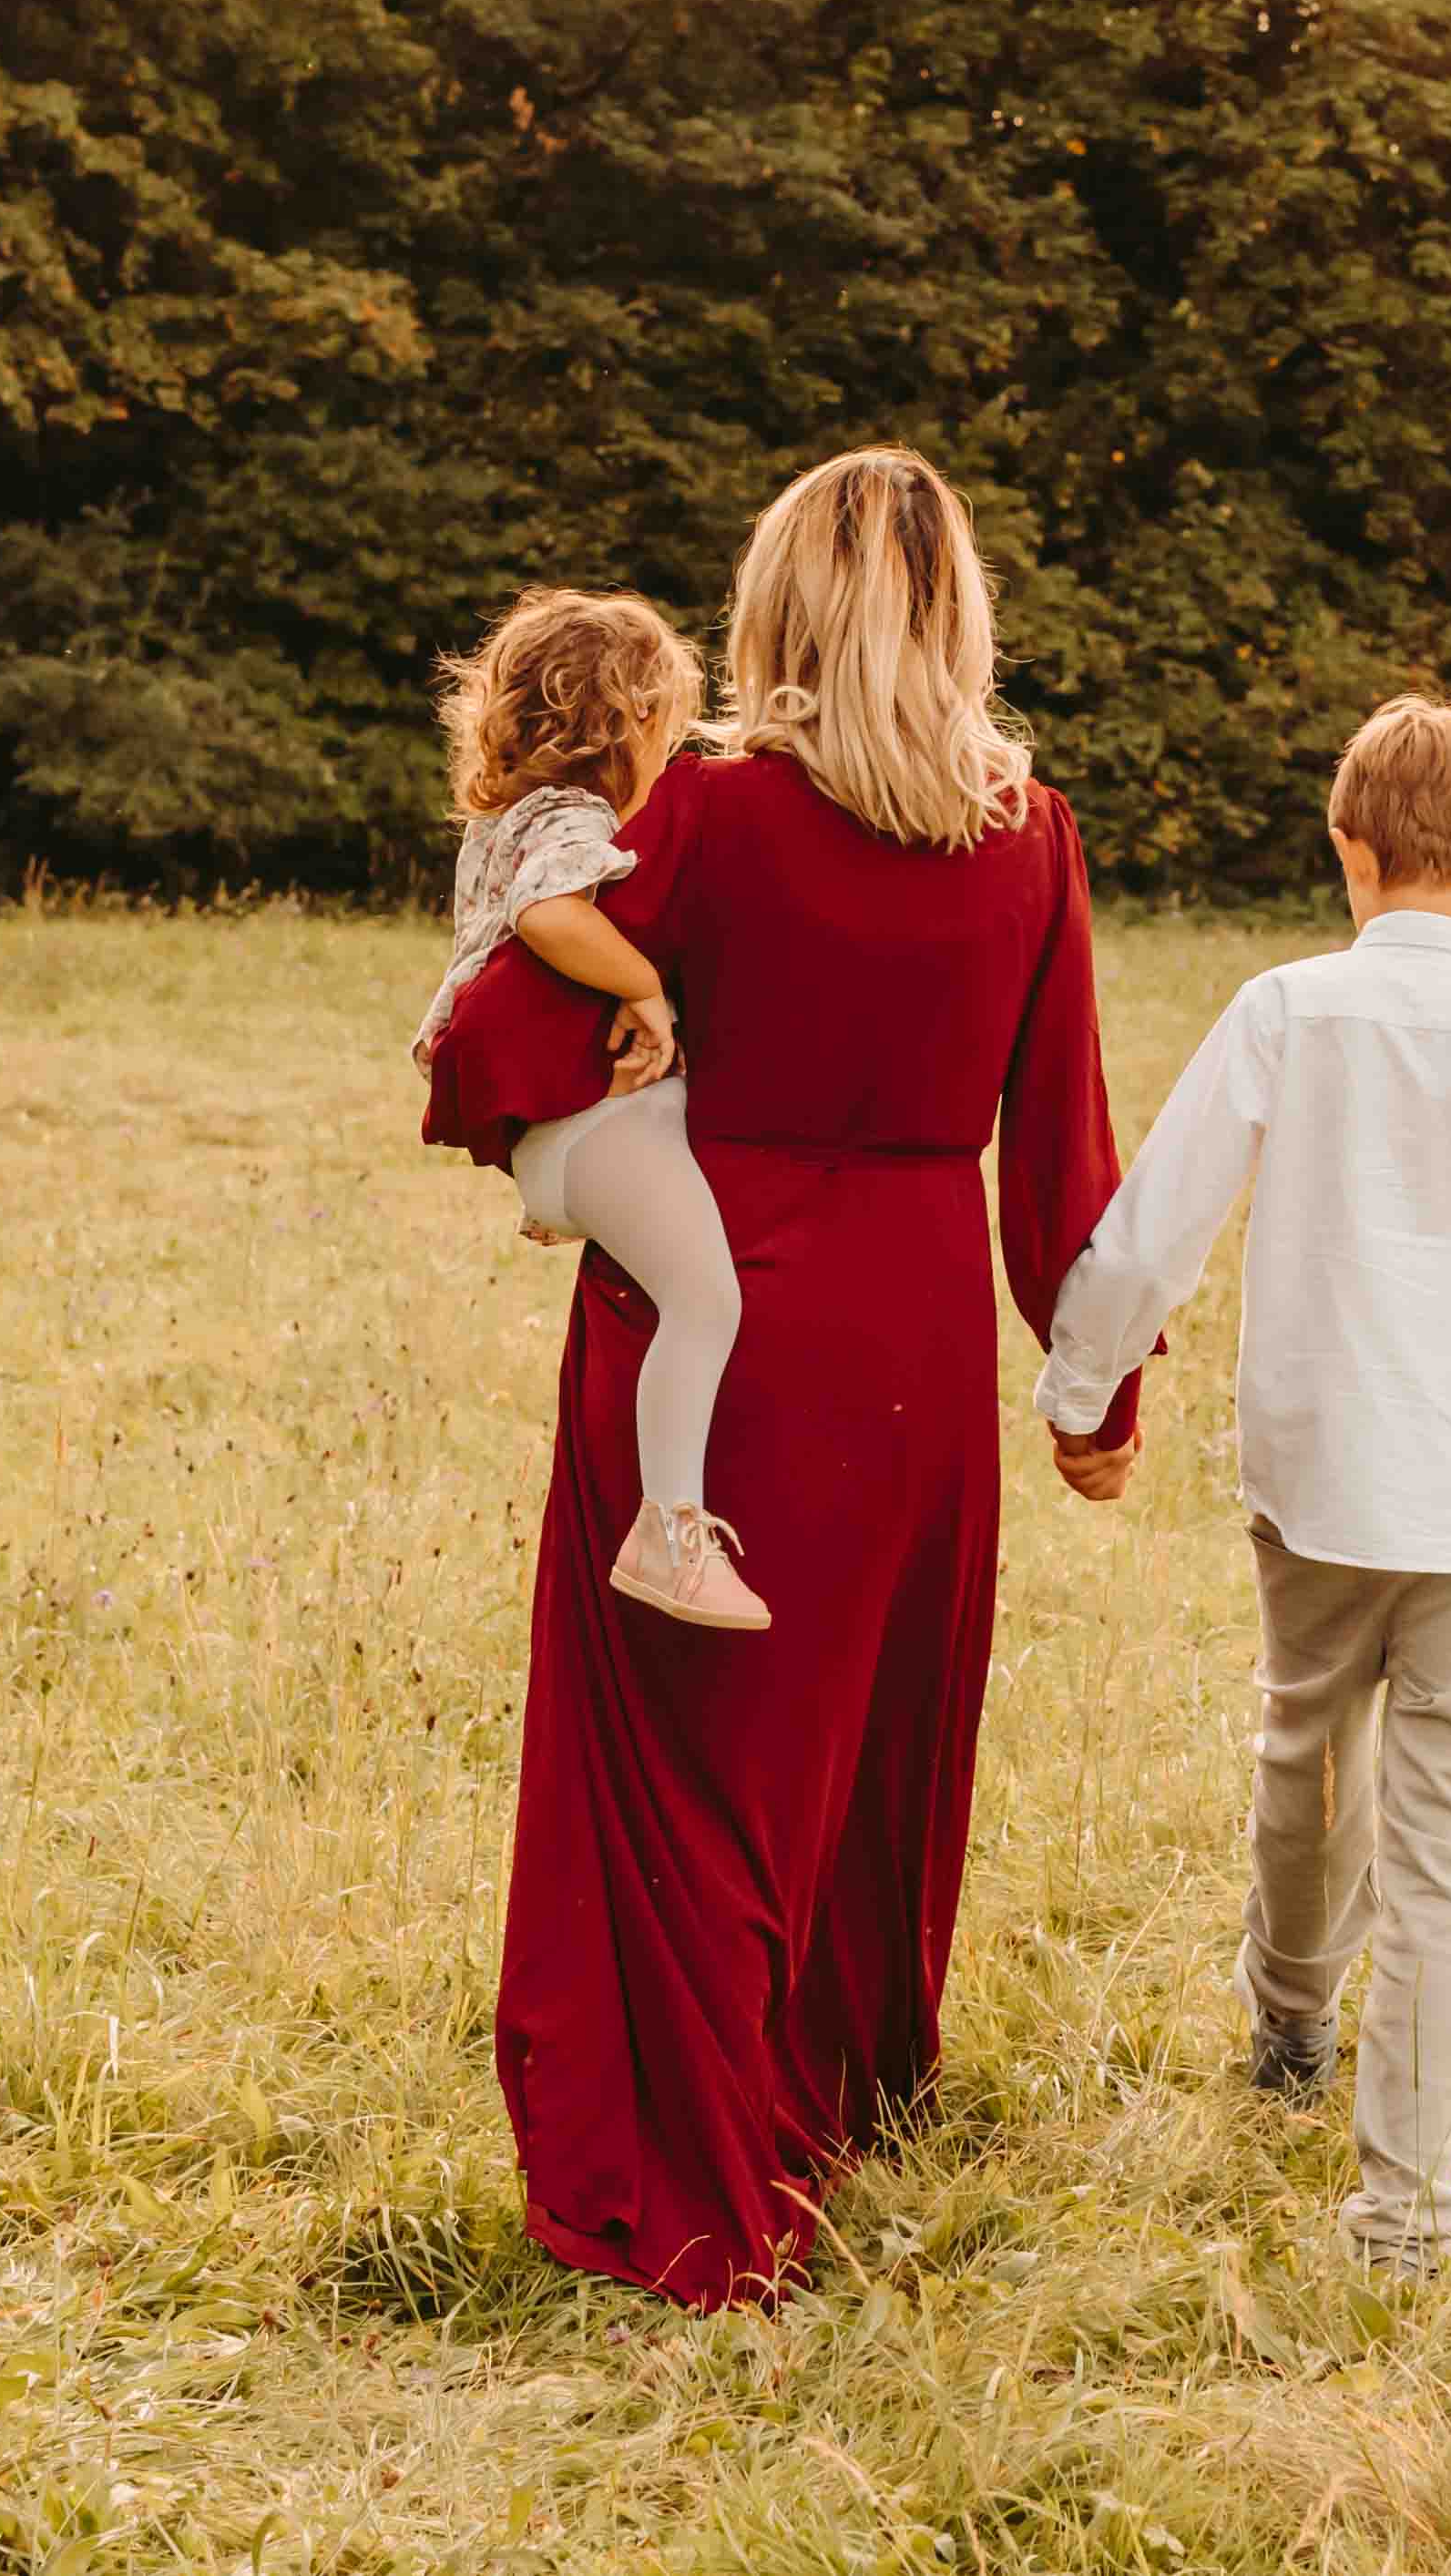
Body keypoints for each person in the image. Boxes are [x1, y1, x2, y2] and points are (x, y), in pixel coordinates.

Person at [491, 446, 1129, 2305]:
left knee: (691, 1752)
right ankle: (833, 2094)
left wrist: (545, 1134)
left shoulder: (699, 816)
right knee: (850, 1740)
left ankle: (693, 2151)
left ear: (769, 606)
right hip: (914, 1327)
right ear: (960, 616)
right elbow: (1061, 1144)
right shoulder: (1032, 831)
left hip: (712, 1303)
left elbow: (510, 1022)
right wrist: (1095, 1388)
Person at [1033, 693, 1451, 2278]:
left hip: (1317, 1482)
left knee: (1303, 1740)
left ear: (1347, 848)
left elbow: (1155, 1221)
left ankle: (1291, 2016)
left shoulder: (1287, 1010)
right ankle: (1407, 2213)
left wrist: (1081, 1387)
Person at [416, 586, 767, 1631]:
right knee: (708, 1302)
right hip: (594, 1132)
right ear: (631, 721)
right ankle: (671, 1531)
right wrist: (644, 986)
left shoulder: (503, 817)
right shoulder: (570, 819)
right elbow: (548, 915)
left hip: (556, 1141)